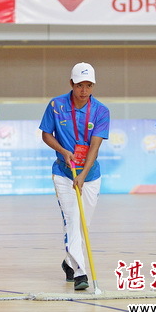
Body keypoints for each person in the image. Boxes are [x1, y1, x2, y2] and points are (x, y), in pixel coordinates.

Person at [39, 62, 110, 290]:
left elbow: (95, 147)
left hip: (89, 175)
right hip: (63, 172)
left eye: (89, 85)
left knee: (83, 226)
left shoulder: (101, 111)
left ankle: (68, 262)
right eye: (80, 85)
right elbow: (46, 135)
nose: (84, 90)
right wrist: (63, 151)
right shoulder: (56, 105)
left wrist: (83, 174)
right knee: (72, 220)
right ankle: (81, 273)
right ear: (71, 83)